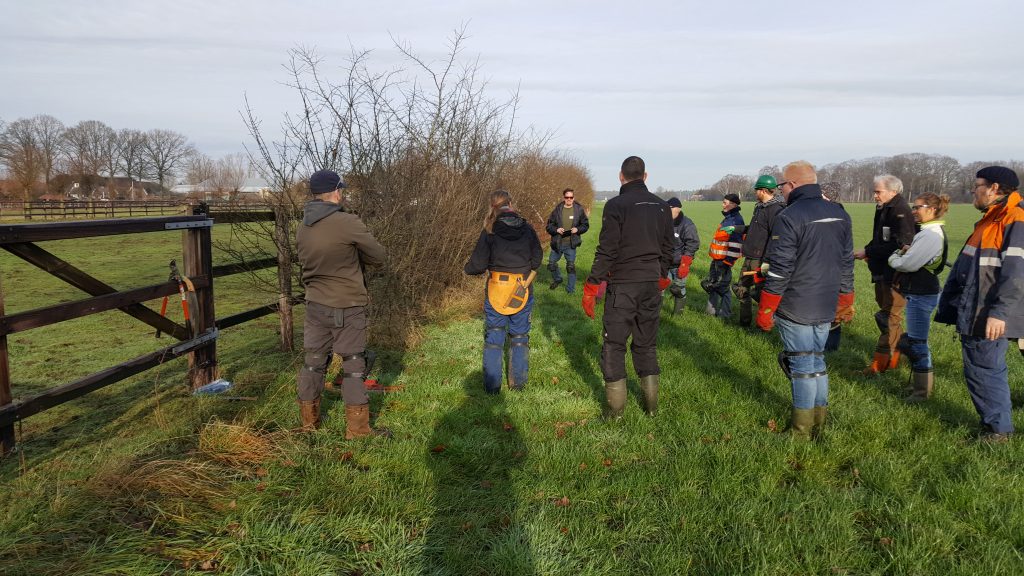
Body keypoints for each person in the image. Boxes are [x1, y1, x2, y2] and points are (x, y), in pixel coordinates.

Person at [757, 161, 854, 438]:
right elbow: (846, 261)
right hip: (826, 301)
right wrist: (846, 297)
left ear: (793, 184)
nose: (781, 191)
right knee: (817, 361)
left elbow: (780, 269)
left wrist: (766, 308)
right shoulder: (839, 213)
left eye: (782, 186)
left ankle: (800, 430)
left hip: (796, 303)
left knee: (801, 366)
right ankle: (818, 423)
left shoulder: (790, 215)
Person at [295, 169, 388, 438]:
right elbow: (378, 256)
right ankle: (358, 430)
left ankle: (308, 423)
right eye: (341, 190)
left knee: (313, 363)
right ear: (336, 192)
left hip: (314, 304)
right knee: (353, 365)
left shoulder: (302, 226)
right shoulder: (347, 222)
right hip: (346, 304)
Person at [581, 156, 674, 418]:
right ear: (645, 176)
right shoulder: (662, 207)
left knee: (614, 345)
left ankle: (616, 412)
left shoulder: (615, 205)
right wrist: (660, 275)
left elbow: (607, 249)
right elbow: (669, 248)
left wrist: (592, 285)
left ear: (621, 176)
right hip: (651, 284)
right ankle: (651, 409)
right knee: (646, 344)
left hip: (623, 284)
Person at [935, 166, 1024, 442]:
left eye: (977, 186)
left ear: (994, 188)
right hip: (983, 306)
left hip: (989, 310)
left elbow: (1016, 273)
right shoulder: (992, 218)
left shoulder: (1014, 218)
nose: (973, 191)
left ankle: (997, 431)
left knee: (984, 368)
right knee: (986, 366)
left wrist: (998, 313)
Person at [465, 190, 543, 393]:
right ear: (511, 204)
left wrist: (468, 269)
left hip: (496, 290)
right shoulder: (527, 228)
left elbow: (477, 265)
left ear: (492, 206)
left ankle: (492, 388)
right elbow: (537, 259)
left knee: (494, 337)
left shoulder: (490, 230)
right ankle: (518, 385)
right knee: (519, 337)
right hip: (522, 289)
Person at [887, 193, 949, 402]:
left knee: (918, 343)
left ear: (931, 209)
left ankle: (922, 392)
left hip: (921, 294)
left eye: (917, 207)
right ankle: (918, 386)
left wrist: (895, 256)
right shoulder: (928, 232)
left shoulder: (930, 235)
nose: (913, 211)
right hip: (920, 292)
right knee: (916, 341)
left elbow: (907, 264)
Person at [854, 175, 916, 374]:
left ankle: (880, 365)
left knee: (888, 318)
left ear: (893, 191)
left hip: (895, 275)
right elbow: (880, 239)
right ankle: (901, 356)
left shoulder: (900, 211)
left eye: (878, 191)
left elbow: (900, 245)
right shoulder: (884, 208)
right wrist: (867, 250)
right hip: (882, 271)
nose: (875, 195)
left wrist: (869, 252)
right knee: (888, 316)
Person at [736, 175, 786, 327]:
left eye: (756, 190)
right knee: (741, 289)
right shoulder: (759, 207)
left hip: (762, 259)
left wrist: (767, 261)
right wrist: (737, 229)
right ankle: (744, 324)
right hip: (750, 256)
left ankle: (765, 325)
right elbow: (755, 229)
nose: (755, 192)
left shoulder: (776, 210)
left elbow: (775, 238)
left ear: (763, 190)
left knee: (760, 294)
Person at [702, 193, 745, 318]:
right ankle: (710, 313)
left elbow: (736, 244)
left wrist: (728, 262)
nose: (723, 205)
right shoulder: (727, 218)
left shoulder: (736, 220)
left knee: (723, 288)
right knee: (712, 285)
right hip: (716, 259)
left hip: (724, 261)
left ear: (733, 205)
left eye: (725, 203)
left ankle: (725, 315)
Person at [545, 187, 590, 293]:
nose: (569, 199)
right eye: (567, 197)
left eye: (571, 197)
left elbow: (585, 225)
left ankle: (570, 290)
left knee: (570, 266)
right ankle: (558, 279)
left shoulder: (579, 210)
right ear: (564, 198)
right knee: (551, 264)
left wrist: (577, 229)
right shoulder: (557, 210)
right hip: (558, 242)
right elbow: (549, 226)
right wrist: (556, 230)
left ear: (573, 198)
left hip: (571, 243)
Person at [666, 197, 700, 312]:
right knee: (658, 288)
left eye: (670, 208)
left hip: (679, 264)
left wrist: (685, 263)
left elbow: (693, 243)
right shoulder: (663, 222)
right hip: (664, 263)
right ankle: (654, 315)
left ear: (678, 209)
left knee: (678, 289)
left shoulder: (687, 224)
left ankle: (677, 314)